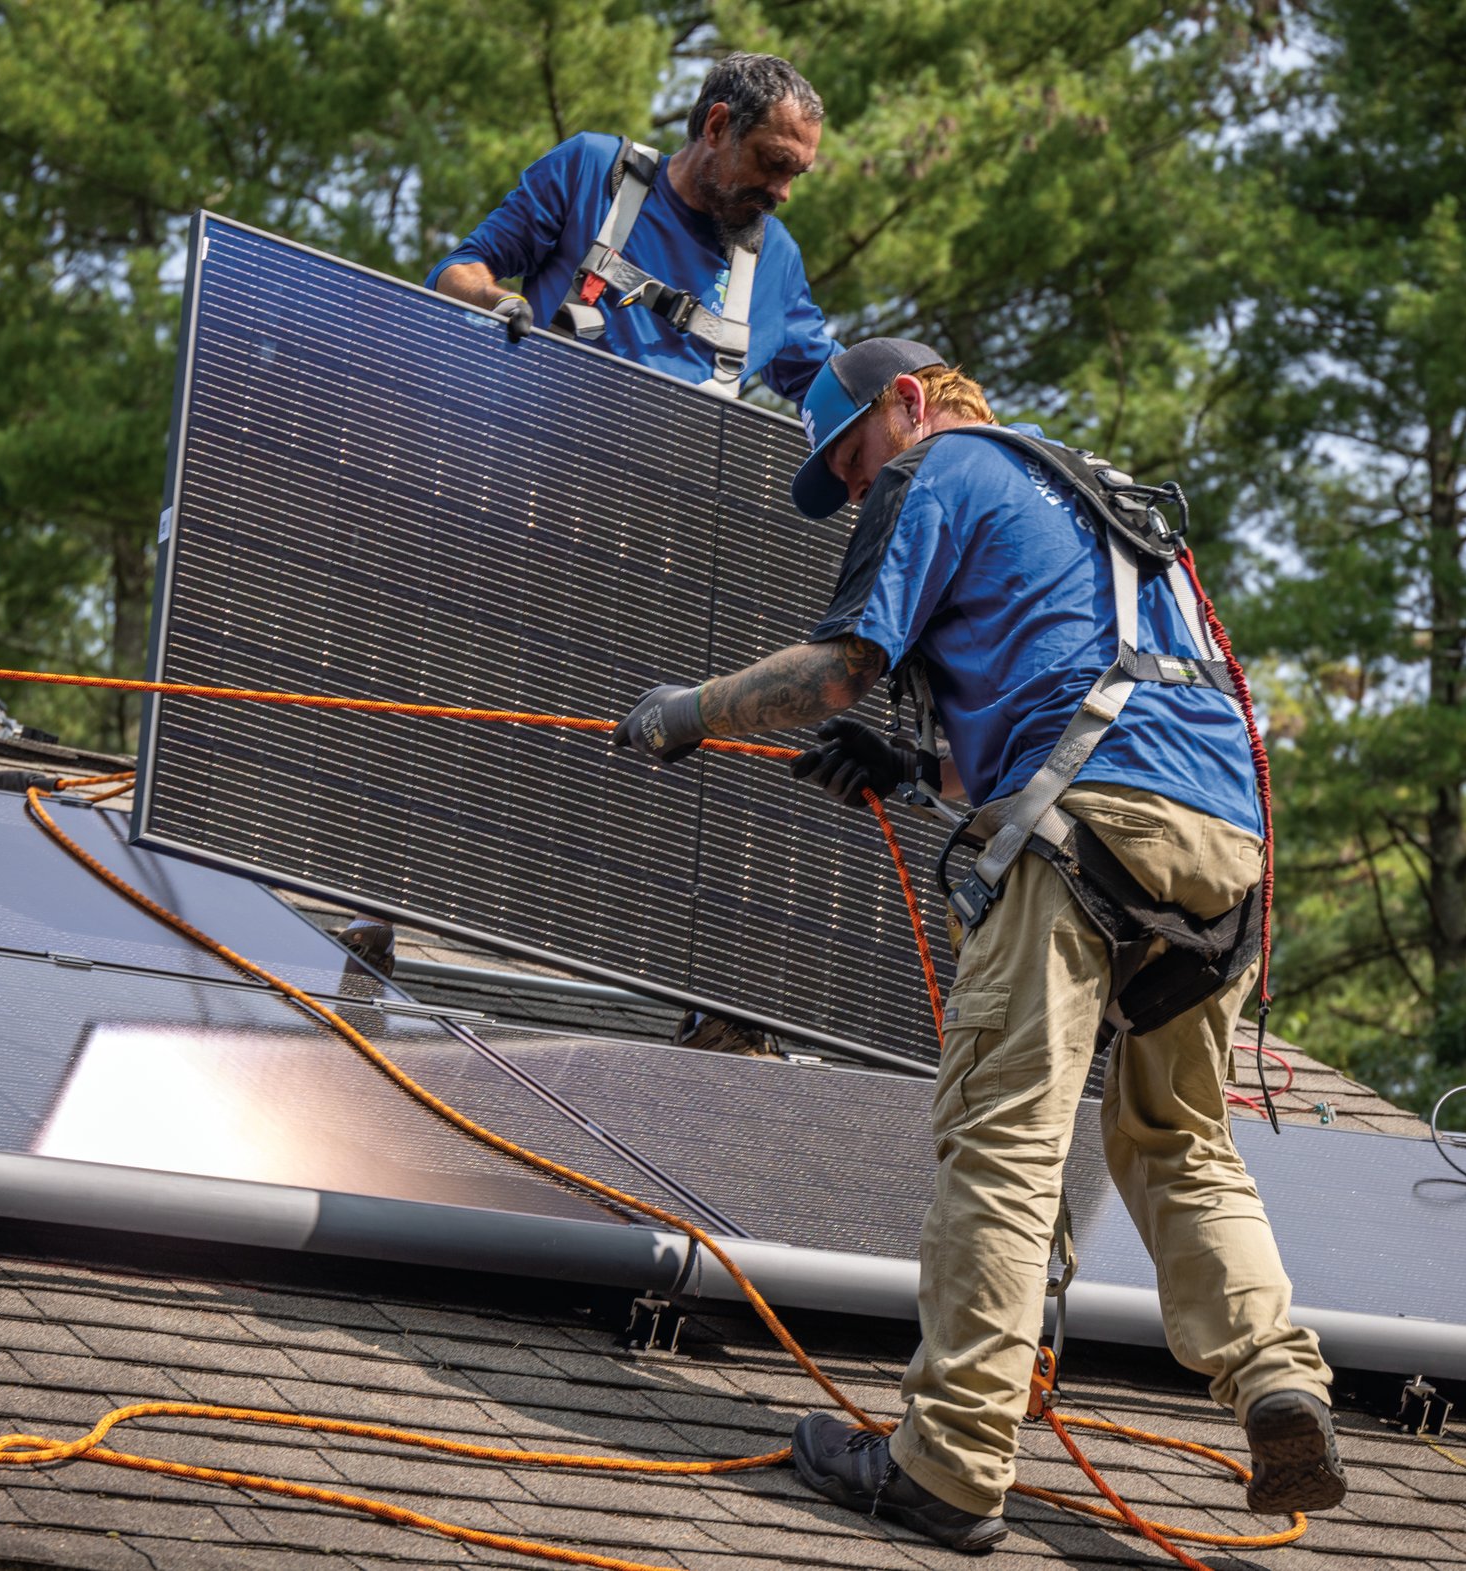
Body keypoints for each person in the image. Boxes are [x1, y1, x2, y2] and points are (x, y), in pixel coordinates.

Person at [610, 338, 1346, 1552]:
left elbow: (841, 666)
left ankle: (947, 1462)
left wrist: (686, 712)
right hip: (1217, 844)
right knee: (1176, 1137)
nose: (853, 489)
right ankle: (1277, 1381)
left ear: (906, 403)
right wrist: (909, 764)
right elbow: (1057, 696)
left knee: (1003, 1140)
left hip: (1082, 829)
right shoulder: (1089, 496)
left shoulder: (938, 468)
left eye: (850, 458)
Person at [426, 53, 837, 401]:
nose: (782, 193)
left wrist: (899, 386)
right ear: (716, 127)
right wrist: (498, 302)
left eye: (795, 175)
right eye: (774, 162)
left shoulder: (776, 260)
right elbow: (455, 271)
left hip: (664, 491)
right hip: (539, 458)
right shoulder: (592, 170)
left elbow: (844, 390)